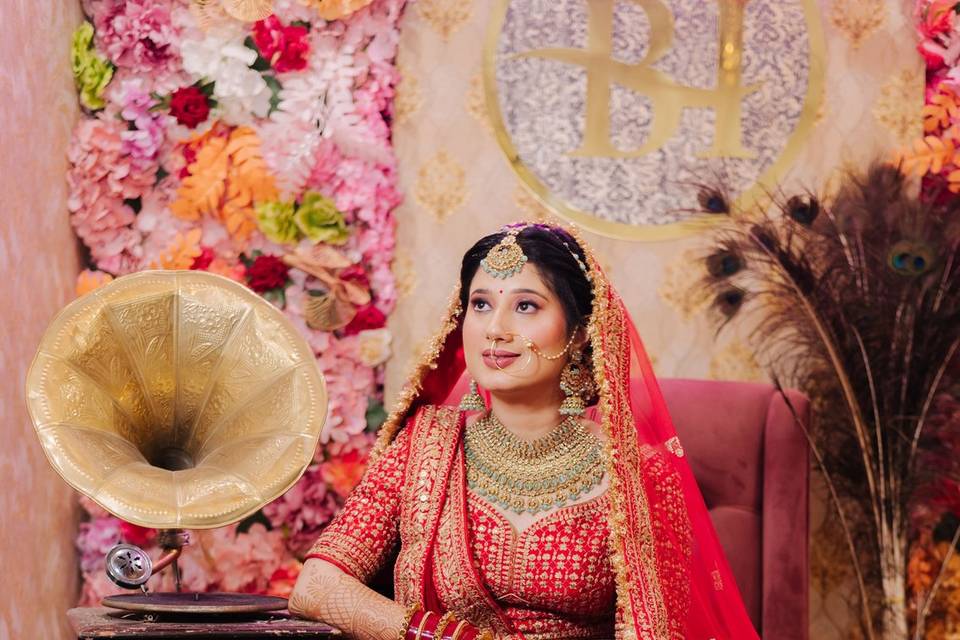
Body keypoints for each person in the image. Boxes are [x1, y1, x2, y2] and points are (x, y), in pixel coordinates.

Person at [289, 222, 760, 640]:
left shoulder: (636, 475)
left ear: (577, 333)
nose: (495, 328)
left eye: (526, 306)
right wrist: (436, 636)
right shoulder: (425, 444)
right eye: (480, 304)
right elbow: (317, 585)